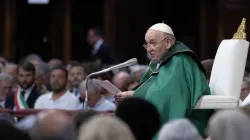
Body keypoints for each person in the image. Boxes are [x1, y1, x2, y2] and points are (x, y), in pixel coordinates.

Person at [115, 23, 212, 138]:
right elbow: (152, 88)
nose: (149, 49)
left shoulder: (180, 61)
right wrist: (132, 95)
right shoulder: (160, 61)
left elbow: (168, 97)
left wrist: (134, 97)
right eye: (147, 44)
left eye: (153, 43)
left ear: (168, 43)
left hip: (188, 125)